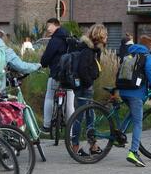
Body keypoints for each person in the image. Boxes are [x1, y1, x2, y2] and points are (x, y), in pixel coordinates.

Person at [120, 35, 151, 167]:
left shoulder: (130, 54)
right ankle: (133, 152)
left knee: (132, 113)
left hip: (123, 91)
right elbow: (149, 69)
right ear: (150, 46)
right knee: (138, 123)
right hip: (136, 93)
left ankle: (119, 133)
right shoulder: (148, 55)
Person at [71, 24, 107, 156]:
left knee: (88, 115)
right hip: (85, 87)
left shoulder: (89, 48)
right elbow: (82, 69)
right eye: (105, 35)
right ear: (100, 36)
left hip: (82, 86)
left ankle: (92, 145)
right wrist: (89, 82)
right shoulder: (88, 50)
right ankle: (75, 146)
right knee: (81, 117)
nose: (107, 38)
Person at [40, 18, 75, 134]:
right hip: (70, 76)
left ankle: (46, 125)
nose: (47, 29)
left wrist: (43, 63)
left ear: (56, 25)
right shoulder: (70, 39)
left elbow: (47, 56)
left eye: (49, 25)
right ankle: (70, 130)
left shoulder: (55, 39)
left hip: (56, 74)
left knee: (49, 96)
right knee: (70, 102)